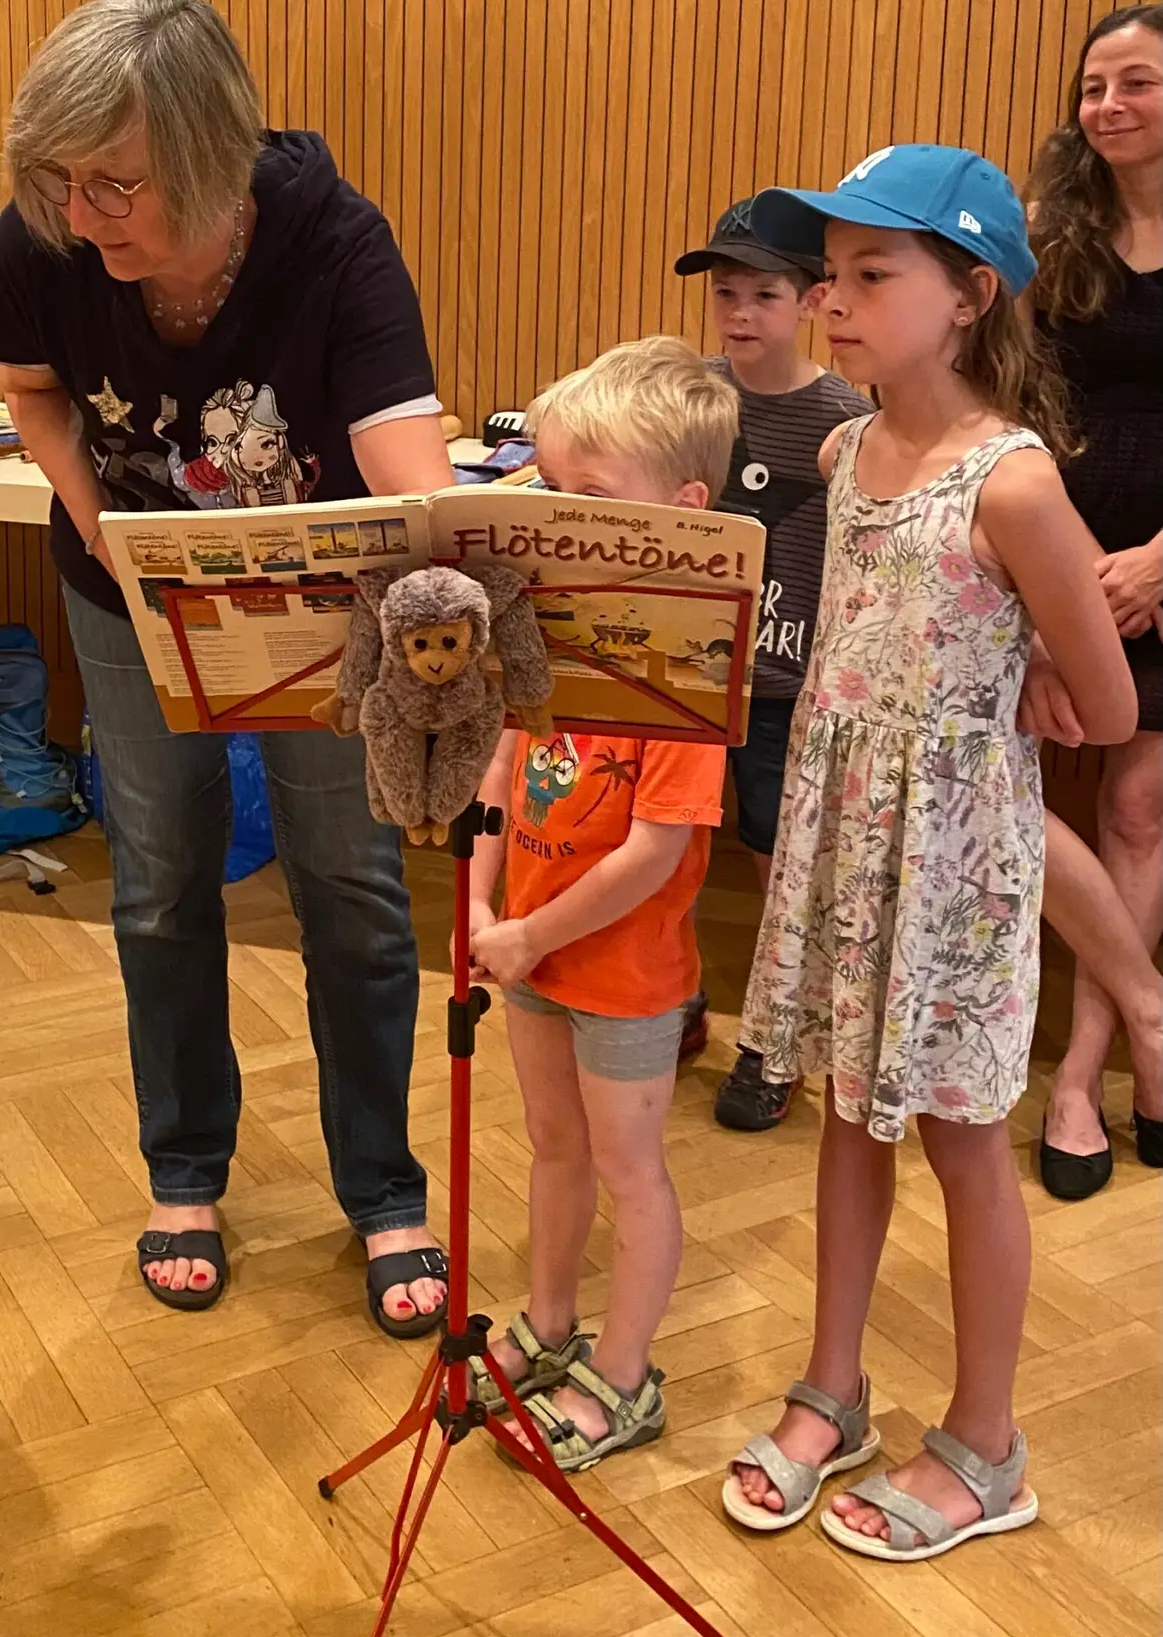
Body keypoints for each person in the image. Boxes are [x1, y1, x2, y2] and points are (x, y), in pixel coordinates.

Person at [0, 0, 455, 1332]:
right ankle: (184, 1172)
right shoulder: (47, 239)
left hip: (314, 606)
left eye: (115, 185)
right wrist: (107, 535)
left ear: (207, 155)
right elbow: (30, 390)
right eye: (59, 184)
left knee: (348, 885)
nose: (80, 217)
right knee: (160, 878)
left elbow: (406, 466)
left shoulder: (336, 244)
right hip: (130, 597)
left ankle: (383, 1192)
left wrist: (447, 587)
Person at [718, 146, 1136, 1561]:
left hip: (955, 862)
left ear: (967, 293)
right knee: (846, 1109)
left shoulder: (1010, 485)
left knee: (961, 1138)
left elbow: (1112, 700)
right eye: (827, 276)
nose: (834, 302)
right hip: (851, 836)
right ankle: (829, 1388)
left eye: (868, 275)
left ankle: (987, 1444)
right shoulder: (843, 453)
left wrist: (1032, 679)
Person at [463, 338, 738, 1470]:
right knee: (549, 1145)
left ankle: (624, 1378)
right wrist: (477, 900)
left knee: (630, 1171)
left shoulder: (682, 674)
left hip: (614, 978)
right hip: (528, 956)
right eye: (552, 492)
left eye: (592, 498)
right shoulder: (556, 632)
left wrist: (524, 933)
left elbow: (648, 850)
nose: (560, 522)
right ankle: (548, 1321)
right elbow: (498, 767)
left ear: (682, 511)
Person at [674, 200, 870, 1131]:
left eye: (763, 293)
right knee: (667, 844)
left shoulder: (846, 420)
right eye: (726, 293)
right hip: (682, 676)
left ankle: (776, 1037)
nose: (740, 311)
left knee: (777, 862)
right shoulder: (689, 395)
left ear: (811, 300)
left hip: (786, 686)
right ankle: (669, 1003)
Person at [1028, 2, 1163, 1196]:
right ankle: (1149, 1012)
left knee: (1136, 809)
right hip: (1059, 550)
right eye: (1092, 87)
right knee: (1016, 786)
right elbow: (1022, 414)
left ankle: (1083, 1072)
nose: (1109, 105)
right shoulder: (1054, 239)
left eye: (1138, 82)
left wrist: (1162, 561)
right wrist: (1074, 569)